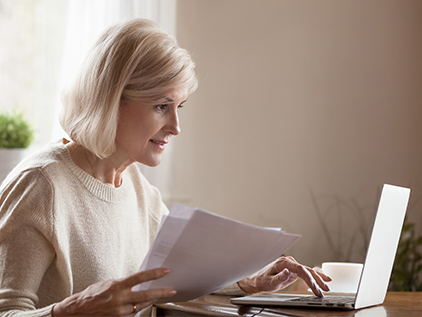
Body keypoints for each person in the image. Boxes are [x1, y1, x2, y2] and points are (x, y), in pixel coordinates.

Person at [0, 18, 330, 317]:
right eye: (161, 106)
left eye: (179, 106)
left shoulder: (139, 191)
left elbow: (179, 280)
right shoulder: (41, 184)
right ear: (112, 102)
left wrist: (251, 281)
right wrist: (72, 311)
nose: (176, 126)